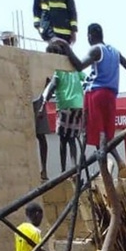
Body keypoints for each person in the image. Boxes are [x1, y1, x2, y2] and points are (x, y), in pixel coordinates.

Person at [61, 23, 126, 178]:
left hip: (95, 94)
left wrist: (66, 47)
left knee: (94, 133)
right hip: (111, 95)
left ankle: (91, 168)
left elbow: (79, 66)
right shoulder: (115, 52)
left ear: (90, 36)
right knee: (105, 134)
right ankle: (117, 163)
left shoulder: (96, 50)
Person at [38, 42, 86, 173]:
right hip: (78, 106)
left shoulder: (58, 70)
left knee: (63, 140)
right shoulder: (74, 68)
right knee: (72, 139)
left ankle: (64, 171)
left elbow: (52, 87)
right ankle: (74, 168)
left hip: (65, 106)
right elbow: (86, 79)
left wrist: (43, 105)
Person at [33, 91, 52, 181]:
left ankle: (44, 169)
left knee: (40, 135)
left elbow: (49, 85)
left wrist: (44, 99)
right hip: (24, 98)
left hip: (38, 100)